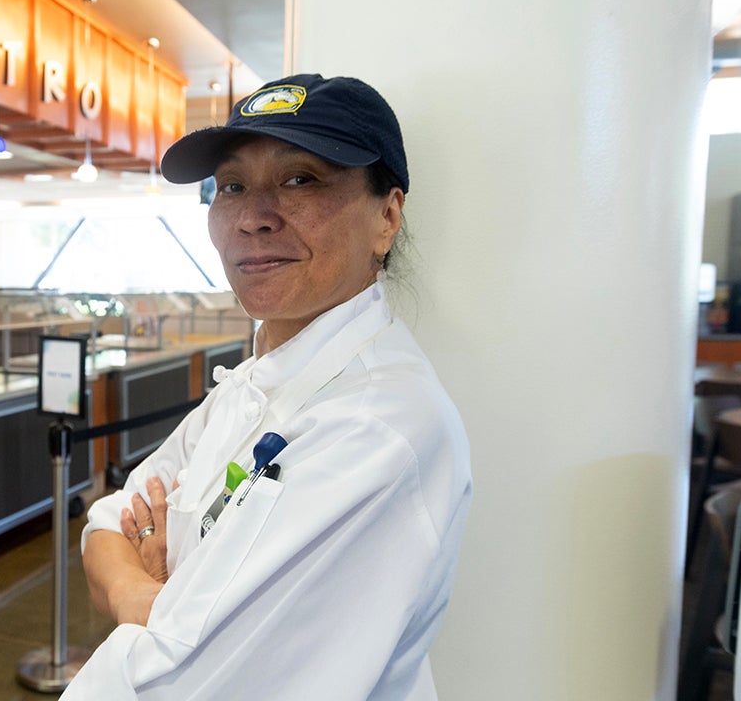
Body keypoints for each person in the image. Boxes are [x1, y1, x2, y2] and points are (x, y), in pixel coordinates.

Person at [64, 74, 472, 700]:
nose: (252, 217)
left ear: (386, 216)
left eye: (300, 179)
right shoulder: (253, 381)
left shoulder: (375, 428)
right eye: (231, 186)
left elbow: (171, 683)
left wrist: (169, 577)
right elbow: (106, 524)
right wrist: (145, 594)